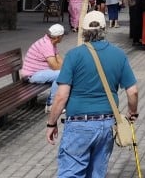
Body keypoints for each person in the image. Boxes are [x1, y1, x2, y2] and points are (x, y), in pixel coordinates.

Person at [46, 10, 138, 178]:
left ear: (83, 31)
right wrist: (132, 112)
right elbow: (133, 91)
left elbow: (61, 97)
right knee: (97, 173)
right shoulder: (119, 54)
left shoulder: (73, 55)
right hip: (107, 124)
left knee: (71, 173)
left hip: (79, 124)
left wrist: (51, 123)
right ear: (104, 29)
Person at [23, 23, 65, 110]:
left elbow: (59, 59)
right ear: (58, 37)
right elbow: (55, 66)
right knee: (61, 74)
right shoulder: (46, 45)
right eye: (62, 36)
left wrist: (67, 68)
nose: (63, 37)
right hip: (32, 75)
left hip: (40, 72)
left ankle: (59, 100)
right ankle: (51, 104)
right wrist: (66, 70)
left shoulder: (51, 42)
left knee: (63, 74)